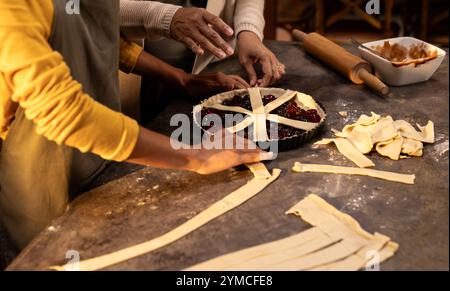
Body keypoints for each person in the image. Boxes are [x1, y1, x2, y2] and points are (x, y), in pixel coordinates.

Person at [0, 0, 270, 249]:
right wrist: (197, 156)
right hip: (44, 173)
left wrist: (181, 79)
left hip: (105, 154)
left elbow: (99, 37)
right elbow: (62, 111)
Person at [119, 0, 286, 122]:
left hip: (208, 65)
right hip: (136, 75)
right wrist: (167, 17)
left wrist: (249, 31)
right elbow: (99, 11)